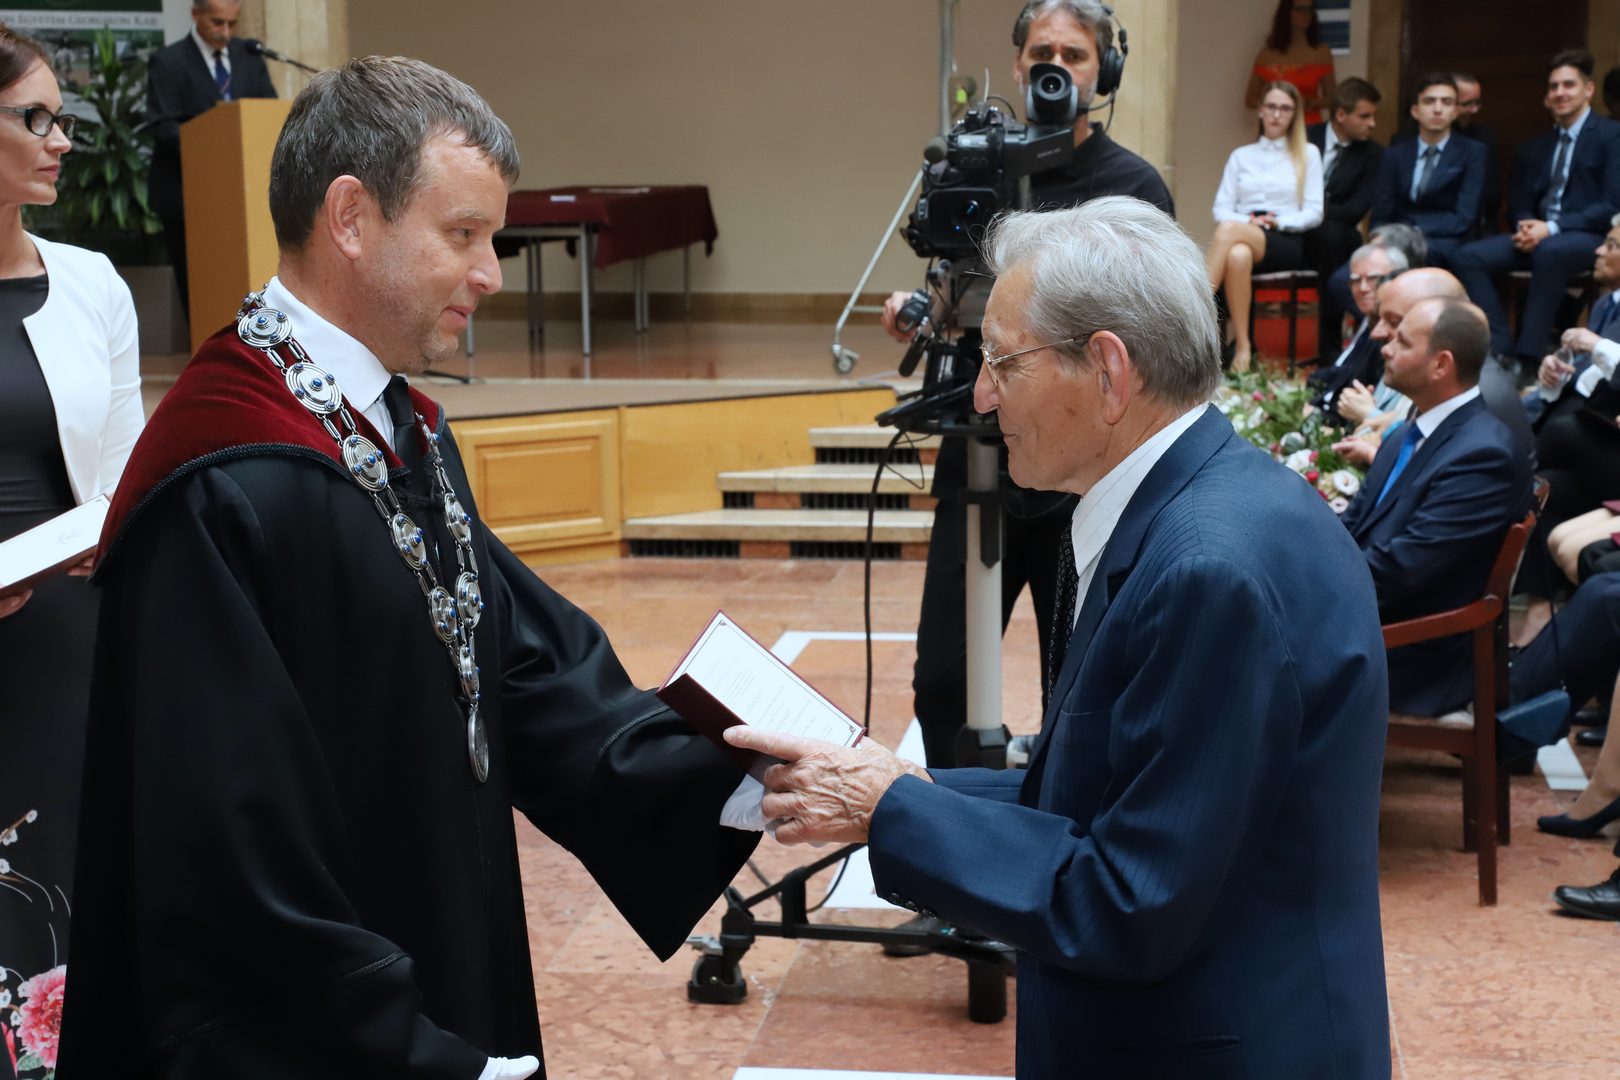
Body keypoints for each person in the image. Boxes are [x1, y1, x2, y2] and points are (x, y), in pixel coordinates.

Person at [55, 57, 757, 1080]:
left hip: (442, 943)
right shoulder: (225, 478)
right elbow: (223, 844)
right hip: (337, 1029)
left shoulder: (392, 424)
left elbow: (513, 663)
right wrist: (399, 1051)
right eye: (463, 234)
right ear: (351, 217)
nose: (492, 273)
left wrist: (728, 764)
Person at [729, 197, 1391, 1078]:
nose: (981, 394)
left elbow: (1130, 901)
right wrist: (895, 784)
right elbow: (1109, 791)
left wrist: (889, 808)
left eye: (1003, 361)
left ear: (1108, 371)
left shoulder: (1207, 572)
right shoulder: (1220, 503)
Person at [877, 0, 1173, 777]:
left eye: (1075, 55)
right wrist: (921, 309)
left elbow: (1151, 330)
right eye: (1043, 53)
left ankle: (1049, 837)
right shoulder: (973, 169)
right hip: (979, 445)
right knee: (942, 684)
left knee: (1072, 689)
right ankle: (954, 838)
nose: (1056, 68)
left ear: (1104, 70)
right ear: (1016, 65)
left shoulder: (1133, 184)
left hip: (1083, 471)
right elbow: (948, 283)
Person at [0, 23, 142, 1062]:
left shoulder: (93, 282)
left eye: (64, 120)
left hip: (65, 644)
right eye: (34, 118)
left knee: (58, 912)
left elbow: (127, 471)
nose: (61, 142)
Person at [1339, 296, 1530, 717]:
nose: (1385, 348)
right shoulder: (1408, 432)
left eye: (1403, 342)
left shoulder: (1483, 455)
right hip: (1370, 612)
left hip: (1412, 651)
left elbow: (1405, 570)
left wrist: (1307, 590)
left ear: (1441, 365)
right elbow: (1352, 525)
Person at [1453, 50, 1620, 364]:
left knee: (1550, 251)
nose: (1560, 93)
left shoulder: (1612, 136)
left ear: (1588, 90)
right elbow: (1520, 201)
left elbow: (1611, 203)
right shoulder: (1536, 145)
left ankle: (1529, 358)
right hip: (1538, 237)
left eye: (1568, 85)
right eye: (1554, 86)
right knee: (1468, 256)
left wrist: (1552, 228)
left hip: (1587, 236)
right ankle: (1500, 347)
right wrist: (1526, 225)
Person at [1514, 219, 1620, 646]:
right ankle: (1541, 611)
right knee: (1549, 487)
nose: (1598, 251)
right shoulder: (1605, 305)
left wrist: (1597, 346)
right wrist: (1554, 378)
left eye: (1611, 245)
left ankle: (1500, 482)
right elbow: (1592, 382)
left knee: (1561, 430)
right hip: (1597, 441)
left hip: (1604, 444)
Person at [144, 0, 275, 317]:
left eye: (232, 23)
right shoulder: (168, 61)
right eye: (217, 22)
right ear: (195, 14)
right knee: (201, 290)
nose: (226, 32)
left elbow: (267, 111)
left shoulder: (249, 55)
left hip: (244, 196)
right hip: (189, 194)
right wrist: (214, 145)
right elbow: (162, 125)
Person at [1209, 79, 1324, 371]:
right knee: (1238, 255)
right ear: (1260, 110)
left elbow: (1314, 212)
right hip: (1246, 232)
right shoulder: (1241, 156)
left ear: (1294, 114)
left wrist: (1278, 221)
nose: (1276, 114)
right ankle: (1244, 347)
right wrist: (1248, 221)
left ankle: (1195, 305)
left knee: (1228, 231)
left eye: (1285, 109)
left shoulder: (1308, 153)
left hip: (1285, 239)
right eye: (1271, 106)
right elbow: (1221, 208)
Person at [1370, 73, 1486, 269]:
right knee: (1341, 280)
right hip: (1396, 240)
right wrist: (1381, 237)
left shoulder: (1472, 152)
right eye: (1429, 101)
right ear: (1415, 111)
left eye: (1446, 102)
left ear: (1455, 112)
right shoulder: (1394, 154)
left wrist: (1413, 232)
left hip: (1446, 240)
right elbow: (1382, 212)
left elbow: (1465, 216)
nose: (1438, 109)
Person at [1307, 77, 1384, 362]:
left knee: (1334, 236)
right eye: (1365, 116)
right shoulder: (1304, 137)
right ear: (1341, 115)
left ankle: (1330, 349)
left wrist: (1313, 212)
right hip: (1295, 229)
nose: (1372, 124)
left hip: (1337, 234)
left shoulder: (1374, 154)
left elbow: (1355, 210)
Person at [1308, 241, 1405, 422]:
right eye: (1355, 280)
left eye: (1373, 279)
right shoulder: (1369, 322)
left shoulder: (1398, 339)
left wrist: (1369, 415)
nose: (1363, 288)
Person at [1245, 0, 1335, 126]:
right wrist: (1277, 104)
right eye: (1300, 9)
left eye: (1309, 10)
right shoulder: (1267, 54)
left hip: (1309, 127)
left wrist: (1312, 103)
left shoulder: (1321, 52)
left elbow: (1333, 99)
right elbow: (1250, 100)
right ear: (1286, 13)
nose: (1306, 14)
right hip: (1276, 126)